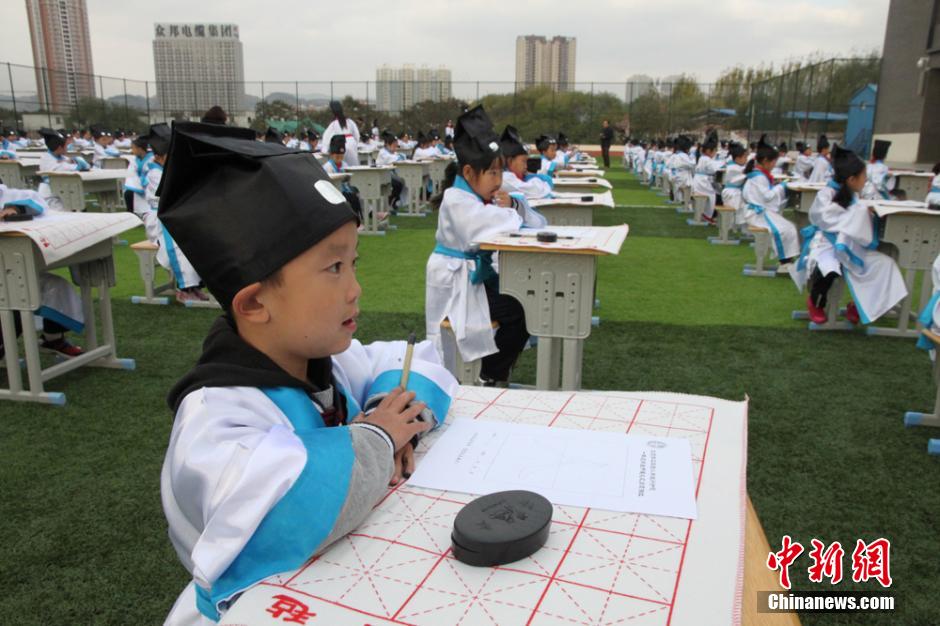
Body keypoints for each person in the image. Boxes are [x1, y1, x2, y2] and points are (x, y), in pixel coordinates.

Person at [156, 121, 457, 625]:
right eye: (333, 268)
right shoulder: (214, 415)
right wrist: (378, 439)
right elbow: (284, 504)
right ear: (254, 303)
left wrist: (395, 412)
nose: (355, 288)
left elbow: (403, 360)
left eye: (353, 264)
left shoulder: (325, 361)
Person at [426, 106, 547, 386]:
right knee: (519, 311)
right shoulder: (457, 199)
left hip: (471, 278)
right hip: (455, 283)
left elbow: (533, 222)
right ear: (469, 172)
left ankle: (494, 371)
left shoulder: (479, 197)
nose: (498, 181)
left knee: (523, 305)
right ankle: (491, 374)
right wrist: (510, 210)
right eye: (492, 173)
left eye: (499, 172)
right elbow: (487, 226)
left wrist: (513, 204)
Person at [799, 144, 907, 324]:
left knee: (886, 265)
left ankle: (858, 305)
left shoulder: (853, 195)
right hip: (827, 243)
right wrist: (858, 213)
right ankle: (816, 302)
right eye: (863, 176)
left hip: (852, 245)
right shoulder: (827, 194)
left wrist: (864, 212)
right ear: (851, 179)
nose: (865, 180)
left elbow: (854, 217)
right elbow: (824, 218)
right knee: (829, 267)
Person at [0, 185, 85, 358]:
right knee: (12, 299)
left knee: (54, 286)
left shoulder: (7, 194)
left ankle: (53, 339)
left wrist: (15, 207)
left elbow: (35, 199)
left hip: (9, 267)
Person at [141, 124, 208, 304]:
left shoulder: (166, 169)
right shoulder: (154, 172)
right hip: (160, 218)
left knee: (199, 238)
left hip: (174, 213)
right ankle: (184, 288)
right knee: (179, 245)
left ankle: (194, 286)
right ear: (158, 156)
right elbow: (167, 198)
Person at [742, 135, 800, 277]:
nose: (775, 164)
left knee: (788, 227)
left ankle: (786, 261)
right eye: (774, 161)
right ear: (766, 161)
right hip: (758, 214)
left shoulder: (759, 174)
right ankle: (784, 262)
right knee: (784, 229)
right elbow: (767, 196)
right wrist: (781, 186)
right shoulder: (759, 176)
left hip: (760, 211)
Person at [37, 128, 90, 204]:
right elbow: (75, 166)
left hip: (63, 193)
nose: (68, 147)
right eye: (66, 145)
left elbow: (86, 166)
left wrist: (74, 160)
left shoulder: (61, 157)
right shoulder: (47, 159)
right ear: (59, 148)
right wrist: (76, 160)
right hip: (50, 197)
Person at [499, 125, 553, 200]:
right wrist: (537, 180)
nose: (526, 166)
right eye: (523, 161)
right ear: (510, 161)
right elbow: (536, 191)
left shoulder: (510, 177)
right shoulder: (505, 178)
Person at [322, 135, 365, 223]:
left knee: (358, 193)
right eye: (337, 157)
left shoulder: (344, 165)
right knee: (352, 198)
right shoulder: (327, 167)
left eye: (341, 156)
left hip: (345, 189)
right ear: (331, 155)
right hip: (335, 191)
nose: (339, 159)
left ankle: (362, 217)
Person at [691, 131, 723, 224]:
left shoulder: (702, 158)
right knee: (713, 195)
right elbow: (714, 168)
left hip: (700, 181)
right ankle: (707, 215)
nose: (715, 153)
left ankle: (706, 214)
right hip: (703, 183)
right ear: (709, 151)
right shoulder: (706, 159)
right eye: (714, 151)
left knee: (715, 193)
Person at [321, 101, 360, 167]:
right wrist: (355, 144)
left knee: (342, 166)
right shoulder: (350, 121)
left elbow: (326, 138)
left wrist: (325, 149)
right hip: (352, 143)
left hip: (340, 144)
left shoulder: (333, 124)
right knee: (354, 166)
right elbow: (357, 135)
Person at [376, 131, 408, 211]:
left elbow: (401, 157)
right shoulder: (383, 152)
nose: (395, 147)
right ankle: (391, 202)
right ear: (387, 144)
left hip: (389, 174)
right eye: (393, 145)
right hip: (381, 174)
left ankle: (396, 201)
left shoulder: (391, 152)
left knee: (403, 181)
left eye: (396, 145)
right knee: (398, 184)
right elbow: (395, 159)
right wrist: (400, 156)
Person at [721, 142, 749, 227]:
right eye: (744, 157)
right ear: (737, 158)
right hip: (732, 193)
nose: (746, 159)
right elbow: (746, 172)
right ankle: (733, 228)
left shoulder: (735, 166)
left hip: (734, 191)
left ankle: (741, 228)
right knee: (741, 208)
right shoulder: (734, 168)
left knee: (743, 208)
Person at [123, 133, 151, 213]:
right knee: (128, 193)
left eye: (133, 148)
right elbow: (131, 174)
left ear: (140, 149)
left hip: (149, 185)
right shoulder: (134, 160)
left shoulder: (151, 159)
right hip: (137, 184)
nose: (132, 150)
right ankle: (131, 212)